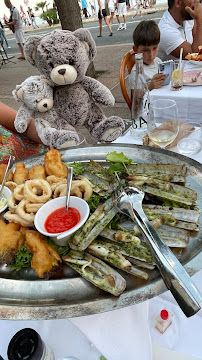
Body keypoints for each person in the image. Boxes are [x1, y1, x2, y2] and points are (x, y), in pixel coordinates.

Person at [129, 20, 168, 97]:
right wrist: (150, 87)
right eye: (145, 50)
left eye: (155, 48)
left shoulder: (158, 61)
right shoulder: (136, 73)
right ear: (136, 49)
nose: (151, 55)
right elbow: (137, 102)